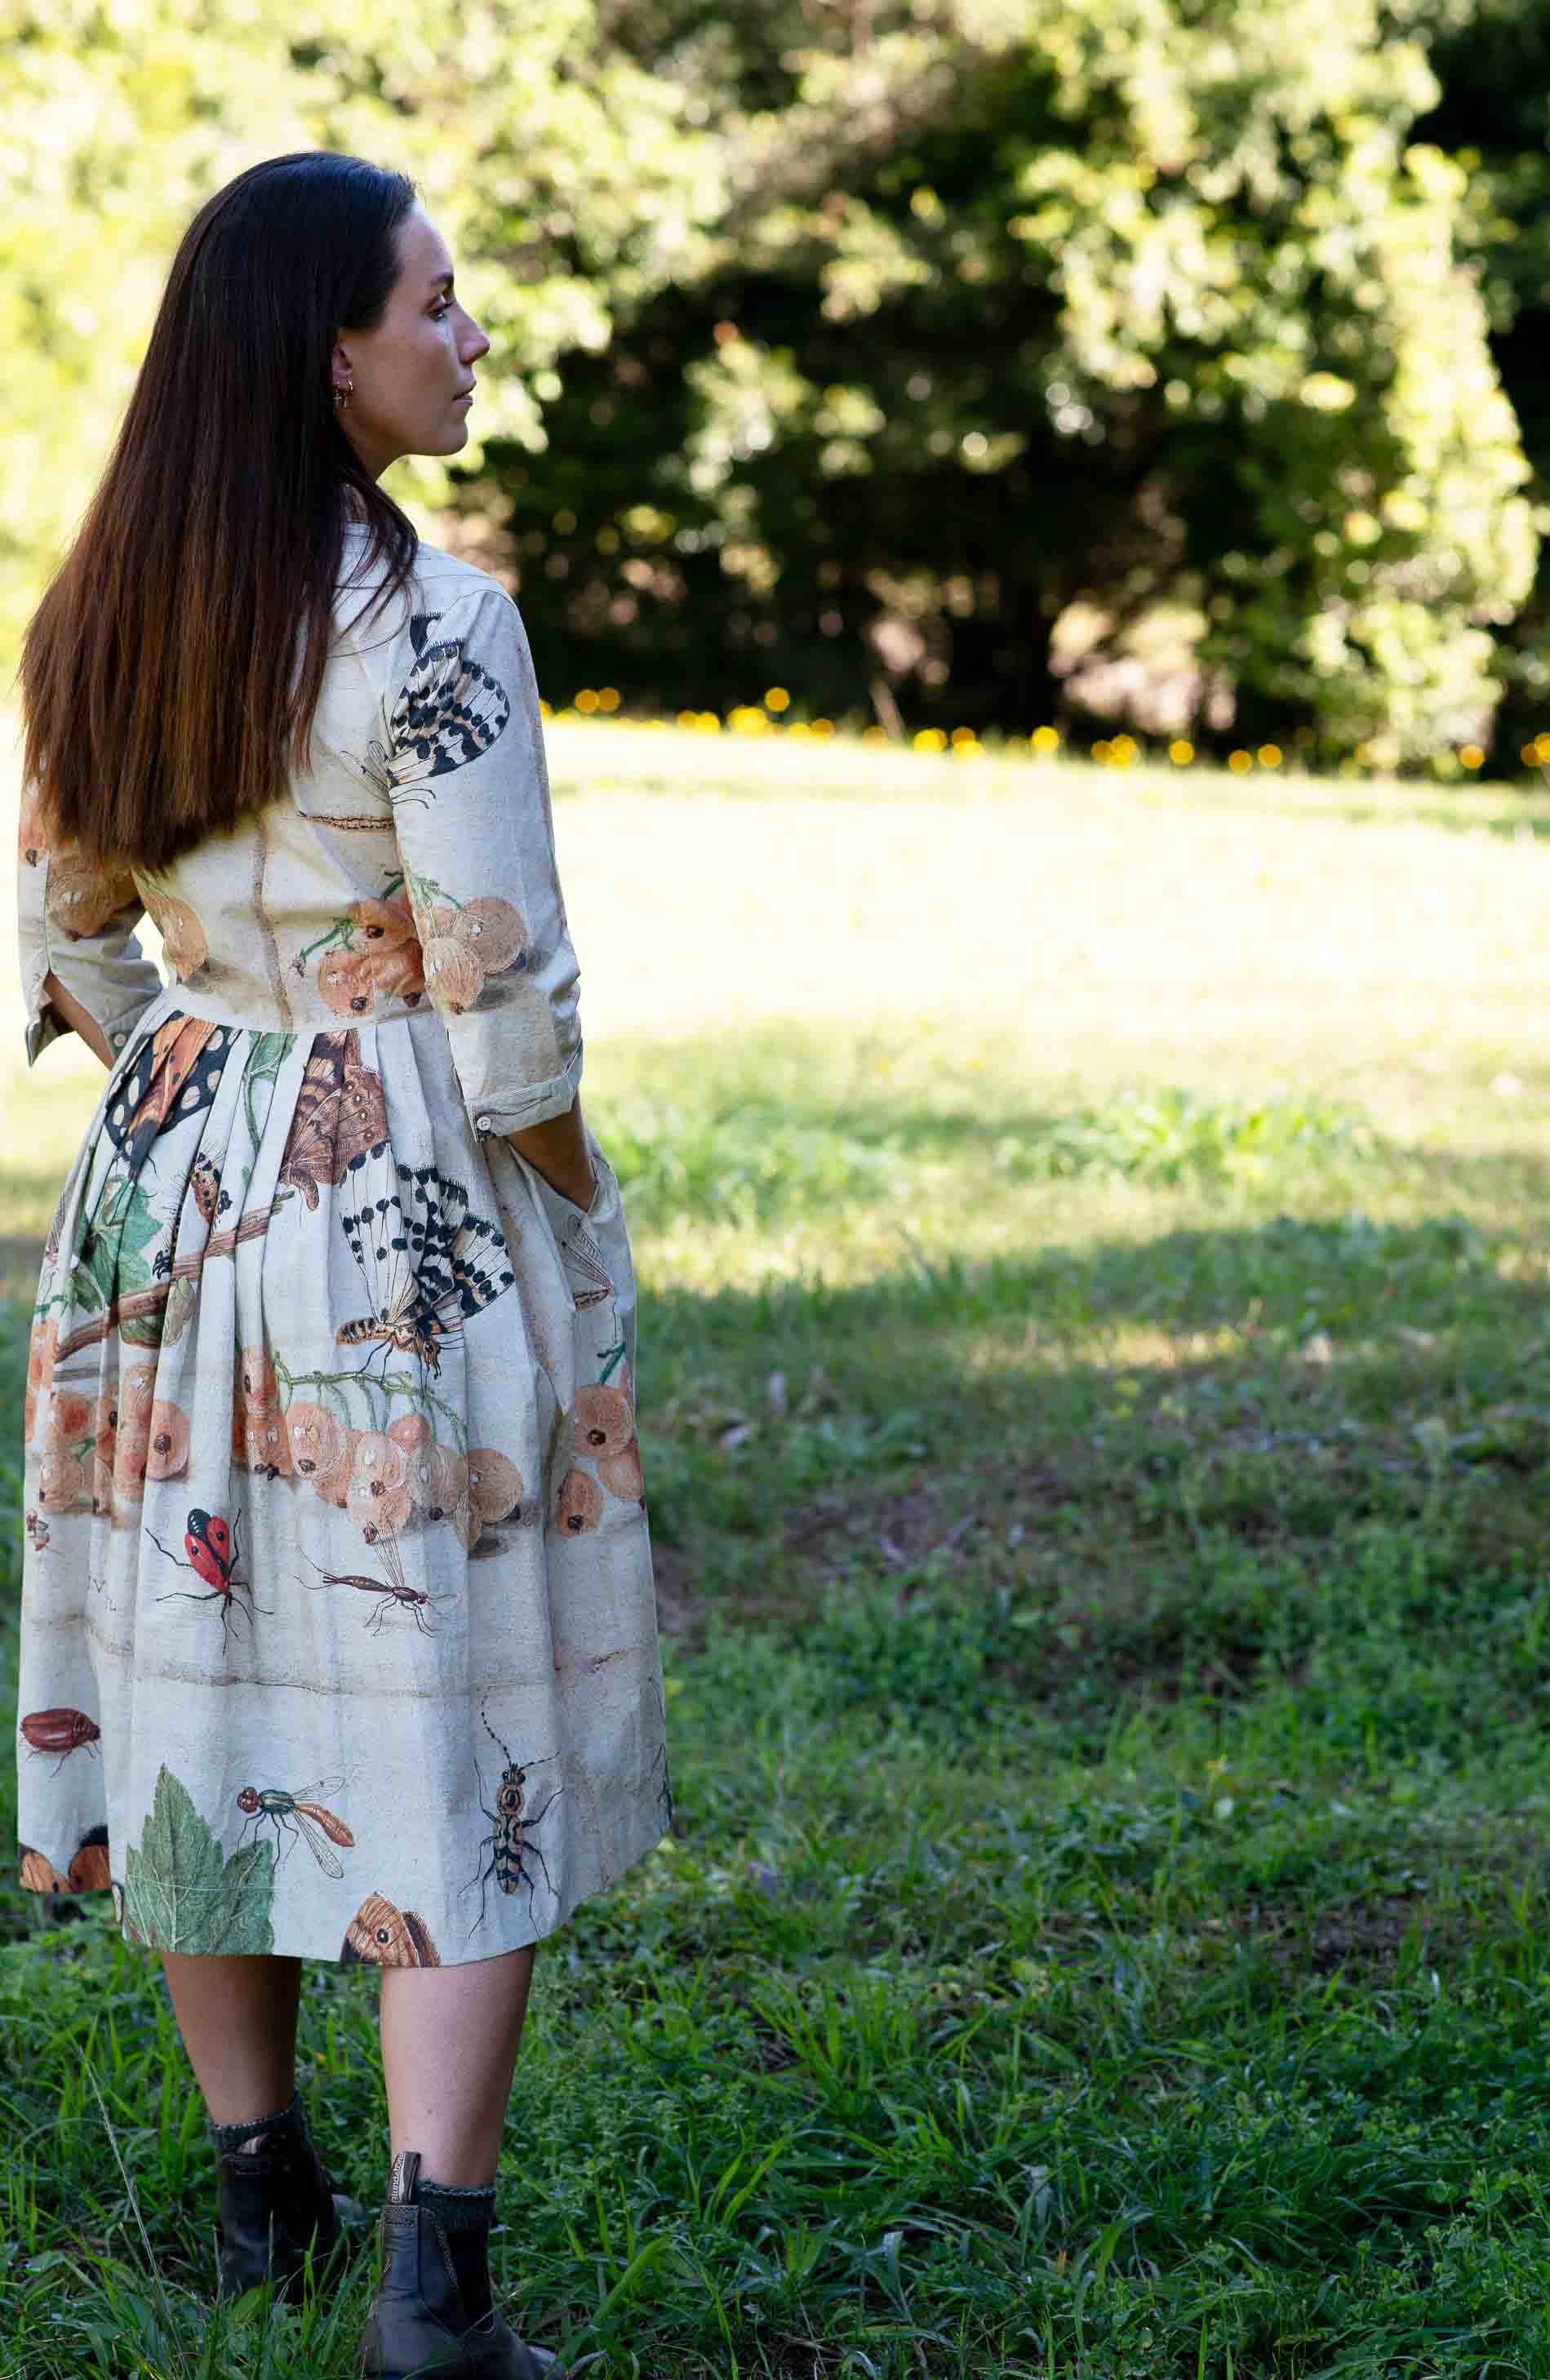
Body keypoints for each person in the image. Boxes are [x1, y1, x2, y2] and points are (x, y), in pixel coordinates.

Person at [12, 150, 670, 2380]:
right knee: (442, 1692)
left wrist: (188, 1064)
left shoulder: (104, 609)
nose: (471, 337)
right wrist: (575, 1212)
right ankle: (434, 2298)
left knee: (206, 1671)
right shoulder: (434, 628)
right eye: (441, 303)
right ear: (333, 356)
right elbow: (504, 1005)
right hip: (390, 1185)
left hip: (169, 1189)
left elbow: (65, 924)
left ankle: (259, 2180)